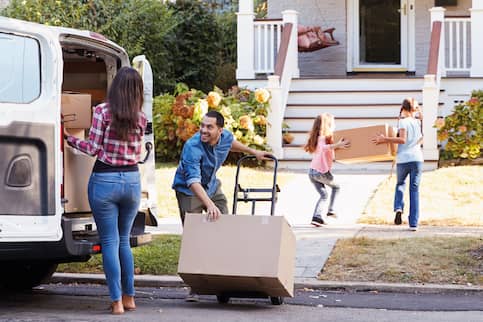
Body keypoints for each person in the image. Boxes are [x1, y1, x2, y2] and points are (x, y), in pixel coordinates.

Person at [64, 67, 146, 314]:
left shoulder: (102, 112)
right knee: (123, 241)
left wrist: (69, 137)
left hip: (105, 180)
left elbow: (91, 148)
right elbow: (139, 152)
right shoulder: (141, 118)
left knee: (109, 241)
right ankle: (129, 297)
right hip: (132, 181)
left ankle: (116, 302)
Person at [172, 110, 272, 300]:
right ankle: (195, 287)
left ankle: (223, 278)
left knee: (224, 228)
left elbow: (230, 144)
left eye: (209, 127)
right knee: (195, 237)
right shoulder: (192, 146)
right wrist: (209, 205)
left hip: (211, 186)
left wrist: (253, 152)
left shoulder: (225, 136)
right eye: (202, 125)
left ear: (220, 130)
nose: (204, 130)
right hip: (189, 191)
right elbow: (193, 181)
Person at [372, 97, 424, 231]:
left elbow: (402, 139)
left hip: (403, 159)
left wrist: (385, 139)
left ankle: (398, 208)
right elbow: (420, 139)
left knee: (400, 184)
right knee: (414, 190)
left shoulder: (403, 122)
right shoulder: (417, 122)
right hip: (417, 159)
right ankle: (413, 224)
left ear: (403, 108)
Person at [303, 113, 350, 227]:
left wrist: (337, 145)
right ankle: (331, 210)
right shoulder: (322, 139)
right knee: (336, 187)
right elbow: (324, 148)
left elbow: (329, 153)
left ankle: (317, 217)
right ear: (327, 125)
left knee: (324, 195)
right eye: (333, 123)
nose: (334, 125)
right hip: (320, 172)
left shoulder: (320, 138)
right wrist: (338, 144)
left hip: (312, 172)